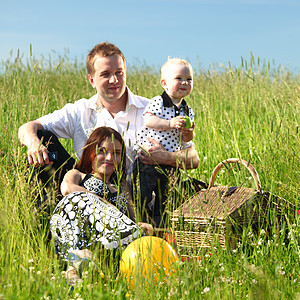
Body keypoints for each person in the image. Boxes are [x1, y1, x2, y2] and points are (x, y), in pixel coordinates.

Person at [18, 41, 199, 206]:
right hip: (89, 194)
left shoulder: (152, 109)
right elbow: (26, 128)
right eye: (105, 74)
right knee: (43, 137)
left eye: (119, 73)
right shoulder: (80, 110)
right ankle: (47, 225)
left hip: (137, 200)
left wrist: (164, 157)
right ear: (92, 80)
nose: (114, 80)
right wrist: (34, 143)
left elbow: (193, 158)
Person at [50, 127, 153, 282]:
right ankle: (78, 263)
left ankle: (83, 270)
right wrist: (103, 204)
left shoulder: (122, 186)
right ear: (90, 152)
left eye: (117, 153)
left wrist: (142, 226)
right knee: (77, 198)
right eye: (102, 151)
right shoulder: (78, 175)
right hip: (75, 232)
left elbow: (132, 218)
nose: (109, 157)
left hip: (109, 242)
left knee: (138, 233)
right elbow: (67, 190)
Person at [133, 58, 195, 227]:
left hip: (171, 164)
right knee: (143, 194)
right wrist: (170, 123)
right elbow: (149, 121)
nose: (185, 82)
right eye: (179, 78)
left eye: (189, 79)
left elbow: (187, 140)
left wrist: (188, 133)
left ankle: (161, 226)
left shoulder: (187, 110)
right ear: (164, 83)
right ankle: (142, 223)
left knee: (167, 198)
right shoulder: (158, 102)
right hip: (148, 160)